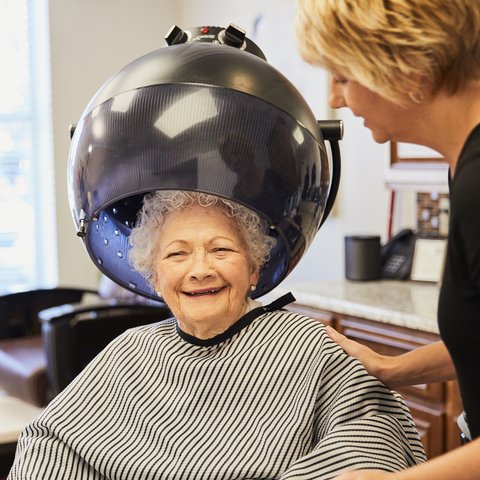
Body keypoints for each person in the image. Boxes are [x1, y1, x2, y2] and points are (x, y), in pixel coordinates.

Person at [9, 190, 425, 479]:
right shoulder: (130, 351)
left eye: (221, 250)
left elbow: (373, 435)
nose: (200, 269)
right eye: (177, 254)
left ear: (254, 269)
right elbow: (51, 442)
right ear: (155, 278)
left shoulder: (309, 345)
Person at [295, 0, 480, 478]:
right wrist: (390, 369)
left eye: (342, 76)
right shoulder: (461, 167)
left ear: (408, 68)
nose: (335, 98)